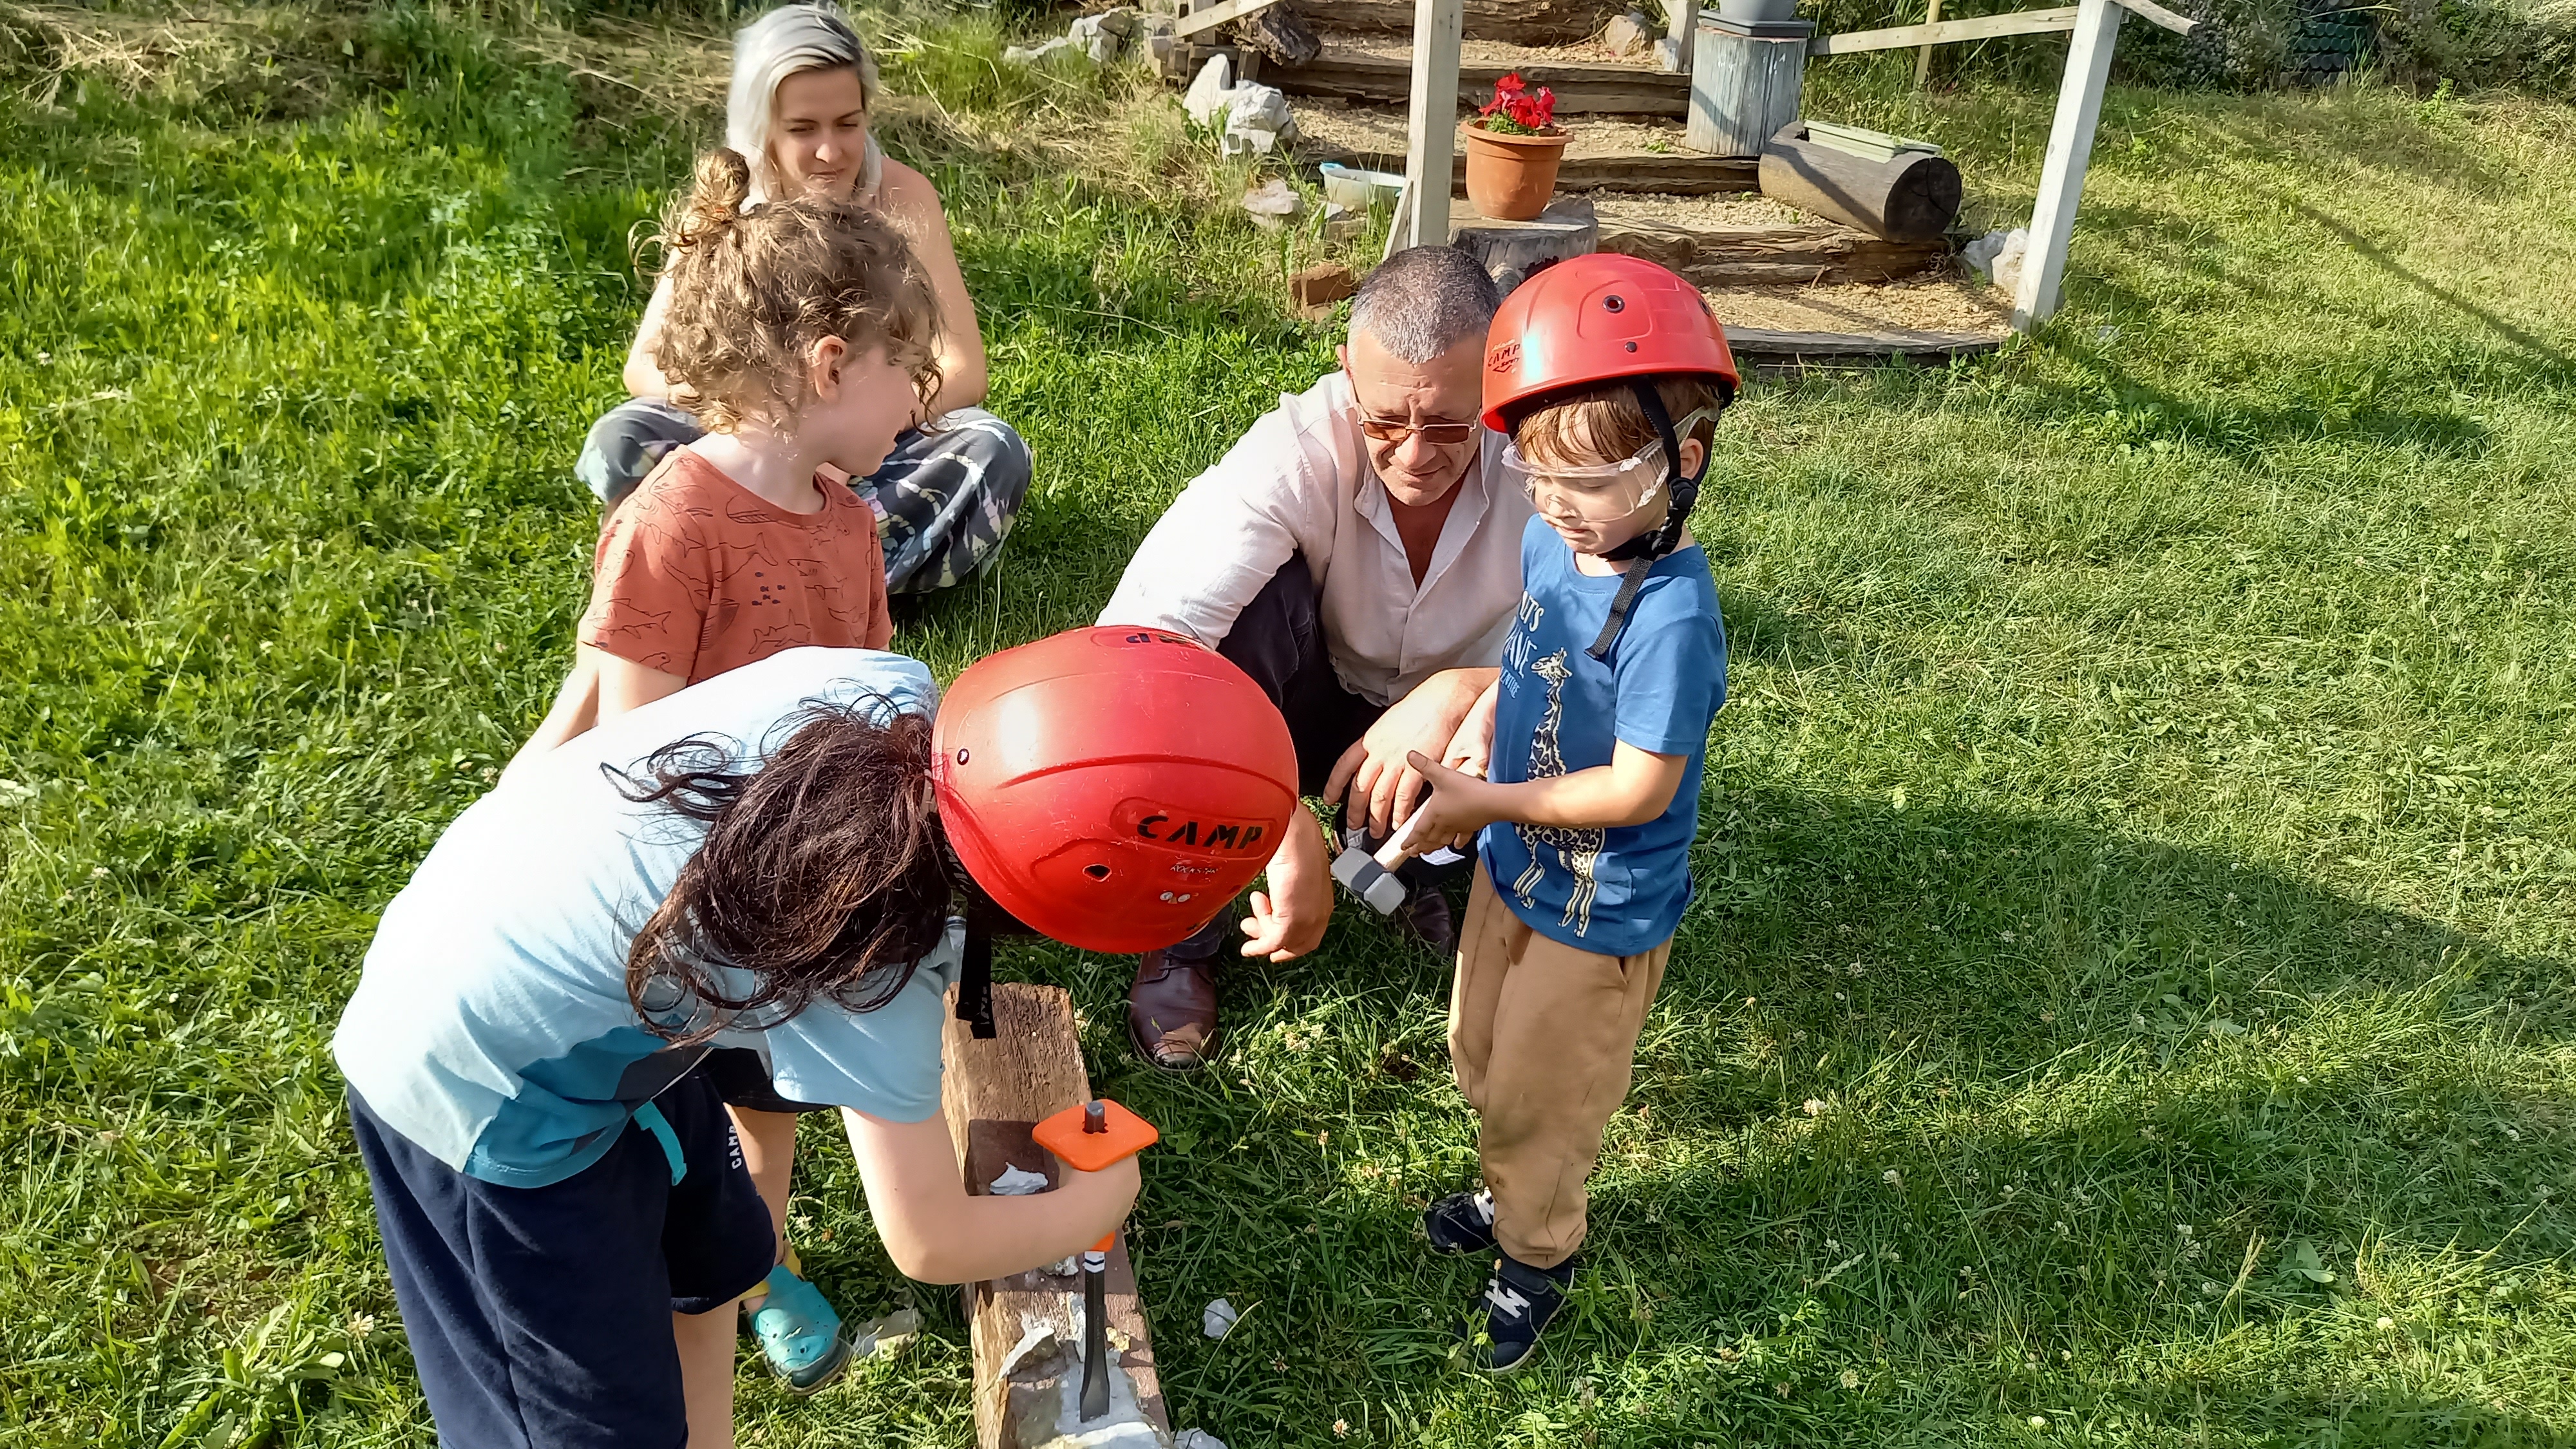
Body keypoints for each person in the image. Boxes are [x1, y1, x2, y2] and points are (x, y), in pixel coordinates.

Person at [333, 630, 1299, 1449]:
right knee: (585, 1415)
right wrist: (1101, 1196)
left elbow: (1144, 738)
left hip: (585, 969)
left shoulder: (882, 691)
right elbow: (929, 1237)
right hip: (484, 1087)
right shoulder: (870, 949)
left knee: (708, 1260)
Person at [511, 143, 934, 1390]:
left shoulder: (853, 523)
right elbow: (643, 766)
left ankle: (759, 1262)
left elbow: (866, 694)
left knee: (767, 1103)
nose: (920, 402)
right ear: (827, 369)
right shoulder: (670, 525)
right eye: (905, 374)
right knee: (678, 1102)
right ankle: (700, 1266)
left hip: (796, 880)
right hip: (681, 903)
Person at [1385, 253, 1737, 1374]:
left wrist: (1487, 799)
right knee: (1479, 1046)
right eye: (1533, 472)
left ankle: (1538, 1251)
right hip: (1513, 860)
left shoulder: (1674, 621)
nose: (1553, 506)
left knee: (1546, 1087)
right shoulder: (1553, 536)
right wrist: (1490, 721)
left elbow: (1640, 788)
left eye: (1585, 480)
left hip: (1601, 901)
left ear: (1682, 463)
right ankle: (1508, 1186)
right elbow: (1530, 657)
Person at [1097, 245, 1533, 1072]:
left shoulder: (1543, 443)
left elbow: (1645, 633)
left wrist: (1472, 689)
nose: (1414, 455)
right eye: (1384, 421)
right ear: (1346, 374)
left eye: (1449, 423)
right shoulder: (1293, 448)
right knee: (1245, 617)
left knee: (1555, 711)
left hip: (1474, 728)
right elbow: (1134, 653)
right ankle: (1187, 924)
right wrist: (1270, 813)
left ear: (1499, 386)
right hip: (1306, 700)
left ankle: (1415, 863)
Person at [580, 3, 1030, 596]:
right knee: (626, 437)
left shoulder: (903, 196)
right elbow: (647, 365)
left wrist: (848, 433)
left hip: (874, 447)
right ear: (760, 124)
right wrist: (783, 431)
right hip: (746, 447)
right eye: (802, 129)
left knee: (990, 449)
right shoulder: (730, 201)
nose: (830, 151)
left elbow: (963, 369)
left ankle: (763, 579)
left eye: (848, 123)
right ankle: (784, 571)